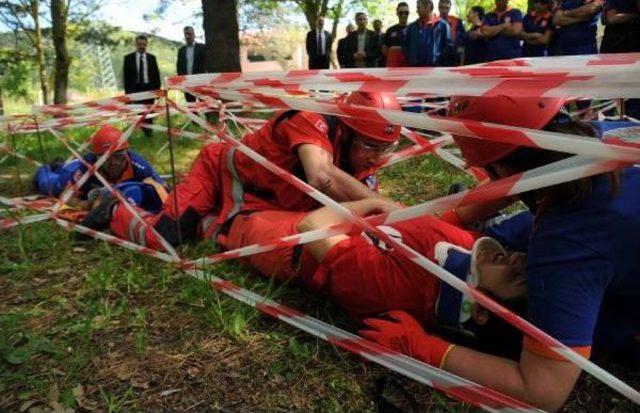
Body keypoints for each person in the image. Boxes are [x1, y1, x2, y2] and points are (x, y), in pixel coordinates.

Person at [362, 95, 640, 411]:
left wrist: (426, 349)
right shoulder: (599, 135)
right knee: (506, 237)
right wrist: (441, 222)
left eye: (490, 172)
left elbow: (542, 390)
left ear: (499, 167)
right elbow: (517, 179)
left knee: (574, 315)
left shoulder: (567, 243)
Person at [88, 92, 403, 250]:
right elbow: (322, 176)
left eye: (386, 148)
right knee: (166, 237)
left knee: (223, 234)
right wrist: (390, 208)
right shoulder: (310, 118)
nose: (377, 158)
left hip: (259, 200)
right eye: (370, 147)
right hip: (219, 174)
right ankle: (114, 208)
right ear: (346, 132)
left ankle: (207, 218)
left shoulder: (362, 155)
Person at [33, 125, 165, 207]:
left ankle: (58, 165)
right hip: (74, 167)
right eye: (106, 158)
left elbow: (163, 191)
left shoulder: (140, 166)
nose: (114, 162)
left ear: (127, 153)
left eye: (119, 156)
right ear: (97, 157)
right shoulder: (87, 167)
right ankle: (45, 169)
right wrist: (86, 204)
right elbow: (66, 197)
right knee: (52, 186)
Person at [600, 0, 640, 119]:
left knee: (633, 92)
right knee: (610, 91)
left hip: (633, 47)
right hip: (616, 47)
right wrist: (634, 15)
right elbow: (608, 19)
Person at [123, 35, 161, 137]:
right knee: (139, 113)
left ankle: (149, 134)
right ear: (136, 44)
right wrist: (127, 96)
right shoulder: (128, 58)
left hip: (149, 89)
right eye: (139, 44)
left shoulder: (152, 58)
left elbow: (156, 75)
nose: (142, 46)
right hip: (135, 90)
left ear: (147, 45)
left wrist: (158, 92)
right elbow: (126, 78)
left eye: (144, 44)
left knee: (149, 113)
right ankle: (144, 132)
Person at [403, 0, 455, 67]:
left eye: (419, 8)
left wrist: (437, 58)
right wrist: (412, 59)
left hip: (436, 70)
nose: (417, 11)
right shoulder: (412, 27)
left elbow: (449, 46)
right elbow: (405, 46)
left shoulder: (442, 25)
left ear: (428, 7)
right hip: (416, 69)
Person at [176, 26, 207, 102]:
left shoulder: (202, 48)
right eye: (185, 34)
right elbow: (179, 66)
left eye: (189, 34)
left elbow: (207, 64)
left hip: (200, 83)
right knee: (191, 108)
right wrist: (181, 81)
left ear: (194, 34)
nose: (187, 36)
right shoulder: (181, 50)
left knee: (205, 105)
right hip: (187, 84)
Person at [438, 0, 466, 64]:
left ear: (449, 8)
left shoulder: (457, 21)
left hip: (453, 57)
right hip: (437, 58)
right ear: (438, 8)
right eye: (442, 7)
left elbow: (462, 40)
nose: (444, 10)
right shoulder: (433, 22)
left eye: (446, 8)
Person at [383, 2, 411, 67]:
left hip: (409, 66)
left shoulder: (414, 29)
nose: (404, 15)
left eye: (406, 13)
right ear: (397, 14)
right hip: (394, 66)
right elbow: (384, 48)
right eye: (401, 13)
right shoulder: (390, 30)